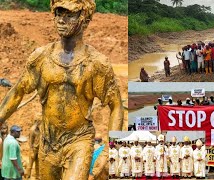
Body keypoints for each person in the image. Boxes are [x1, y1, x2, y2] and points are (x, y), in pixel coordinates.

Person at [0, 0, 124, 179]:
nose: (61, 20)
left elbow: (116, 105)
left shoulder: (97, 64)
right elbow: (18, 91)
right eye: (58, 13)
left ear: (84, 18)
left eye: (69, 15)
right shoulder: (41, 57)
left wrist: (112, 146)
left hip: (79, 140)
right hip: (48, 141)